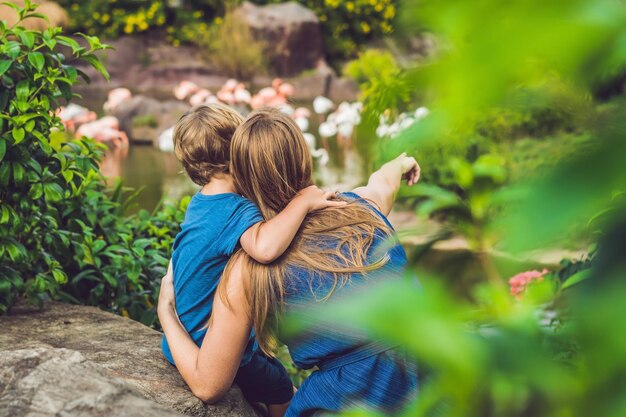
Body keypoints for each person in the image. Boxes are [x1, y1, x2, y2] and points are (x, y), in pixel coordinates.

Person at [159, 108, 420, 416]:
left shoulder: (247, 269)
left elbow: (208, 385)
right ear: (303, 156)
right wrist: (400, 162)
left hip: (351, 396)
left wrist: (166, 312)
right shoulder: (361, 207)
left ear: (241, 173)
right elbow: (383, 183)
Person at [162, 104, 345, 416]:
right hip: (207, 344)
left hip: (182, 337)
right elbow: (264, 247)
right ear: (241, 153)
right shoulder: (235, 209)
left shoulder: (202, 202)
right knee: (279, 385)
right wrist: (302, 202)